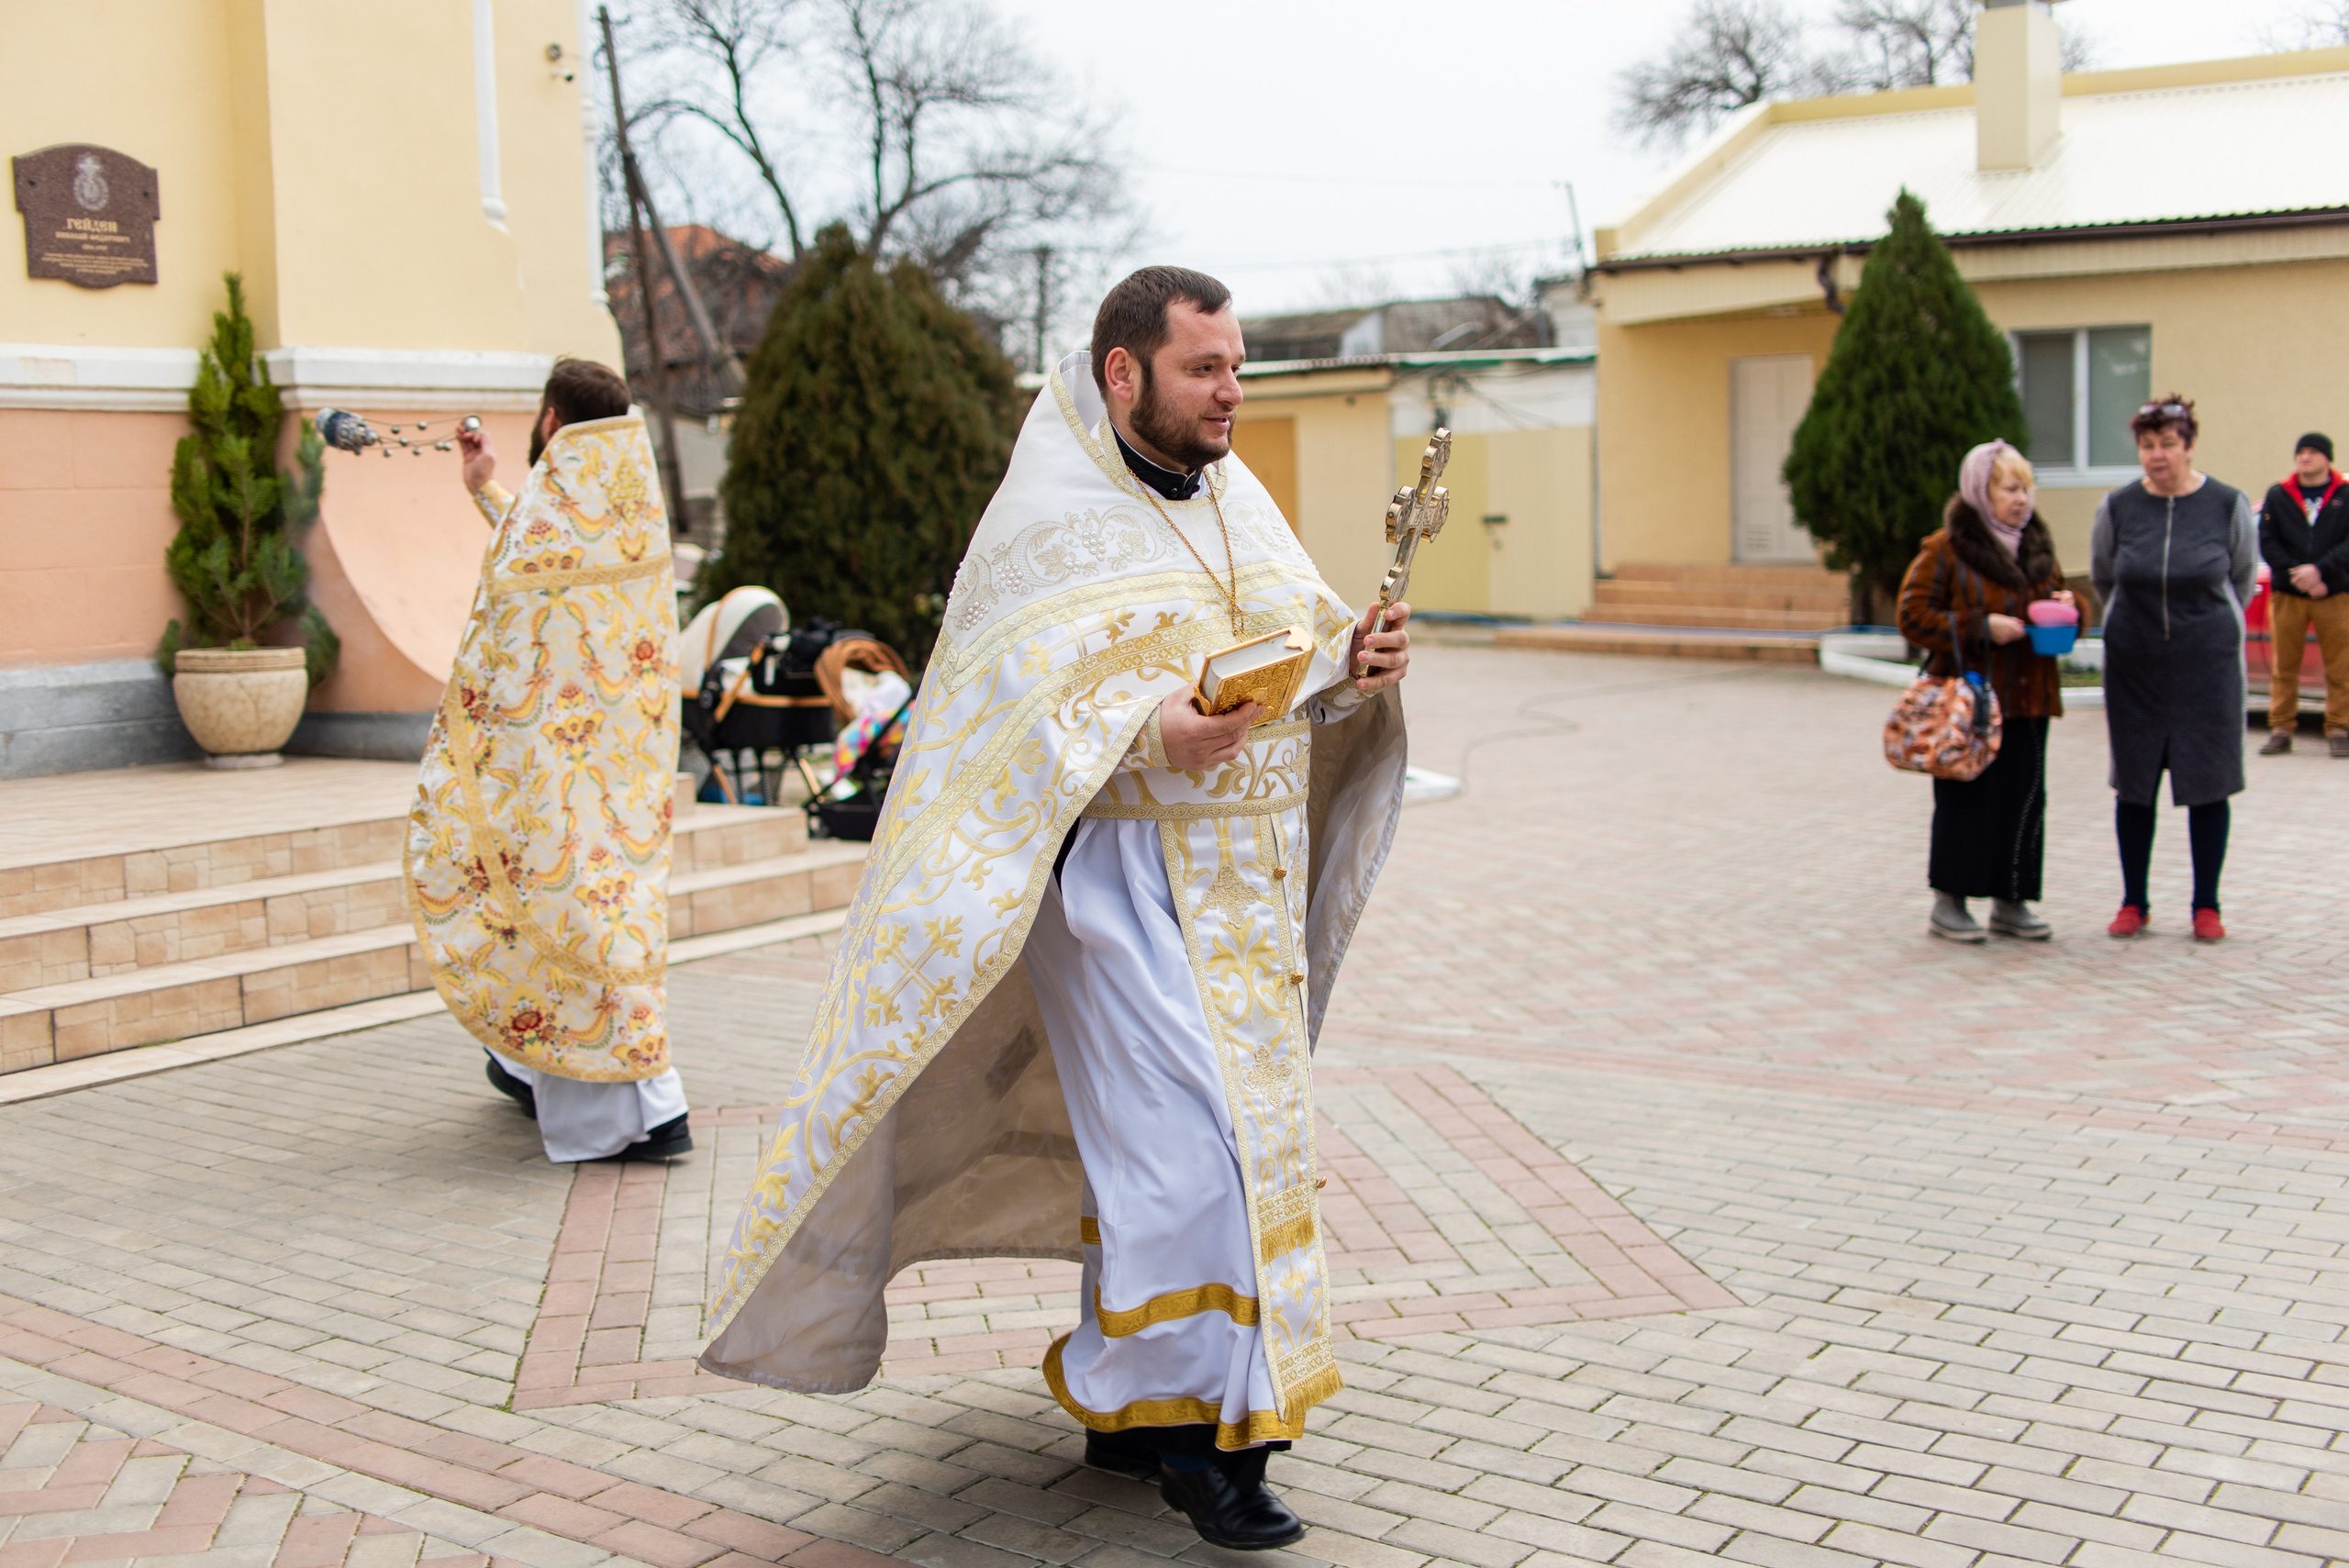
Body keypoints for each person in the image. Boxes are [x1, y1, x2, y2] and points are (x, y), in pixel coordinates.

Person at [698, 268, 1412, 1553]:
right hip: (1118, 893)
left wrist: (1351, 666)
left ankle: (1131, 1403)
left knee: (1188, 1155)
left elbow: (1289, 654)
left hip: (1241, 899)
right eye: (1204, 369)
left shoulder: (1236, 497)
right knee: (1193, 1156)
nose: (1231, 393)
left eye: (1236, 366)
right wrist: (1148, 727)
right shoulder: (1042, 516)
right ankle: (1205, 1449)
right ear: (1123, 372)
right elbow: (1006, 704)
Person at [406, 358, 691, 1162]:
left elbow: (517, 589)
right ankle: (530, 1069)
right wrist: (485, 488)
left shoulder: (553, 516)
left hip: (555, 771)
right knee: (603, 921)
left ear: (551, 422)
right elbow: (538, 556)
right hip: (622, 771)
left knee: (571, 924)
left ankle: (629, 1116)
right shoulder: (627, 510)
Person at [2091, 395, 2258, 942]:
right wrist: (2132, 626)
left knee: (2209, 783)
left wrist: (2208, 629)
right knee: (2134, 784)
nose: (2157, 455)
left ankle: (2206, 905)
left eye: (2167, 443)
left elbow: (2241, 577)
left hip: (2207, 669)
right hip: (2135, 668)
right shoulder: (2118, 507)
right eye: (2147, 445)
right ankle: (2133, 901)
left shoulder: (2226, 504)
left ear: (2189, 446)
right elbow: (2104, 577)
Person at [1898, 440, 2076, 942]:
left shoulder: (2037, 544)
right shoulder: (1946, 548)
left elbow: (2058, 602)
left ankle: (2012, 901)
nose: (2022, 499)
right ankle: (1950, 901)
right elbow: (1912, 615)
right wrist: (1980, 626)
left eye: (2027, 488)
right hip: (1971, 702)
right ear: (1982, 492)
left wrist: (2070, 607)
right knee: (1967, 800)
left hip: (2030, 698)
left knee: (2025, 801)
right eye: (2010, 489)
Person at [2256, 431, 2349, 756]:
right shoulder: (2279, 494)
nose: (2305, 457)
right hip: (2288, 593)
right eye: (2301, 452)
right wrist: (2298, 574)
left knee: (2341, 667)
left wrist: (2320, 572)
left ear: (2327, 458)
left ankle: (2339, 728)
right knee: (2284, 666)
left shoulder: (2344, 494)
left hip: (2333, 593)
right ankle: (2281, 728)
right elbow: (2268, 541)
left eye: (2312, 452)